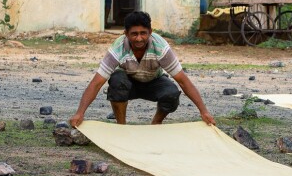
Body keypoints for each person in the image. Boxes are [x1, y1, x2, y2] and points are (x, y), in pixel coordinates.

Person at [70, 10, 215, 128]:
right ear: (126, 34)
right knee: (117, 80)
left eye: (143, 33)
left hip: (154, 81)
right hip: (128, 83)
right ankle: (122, 127)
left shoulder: (160, 47)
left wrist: (204, 111)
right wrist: (80, 113)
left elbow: (183, 81)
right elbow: (96, 83)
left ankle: (156, 122)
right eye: (134, 34)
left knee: (171, 93)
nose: (139, 38)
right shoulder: (118, 47)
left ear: (150, 32)